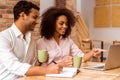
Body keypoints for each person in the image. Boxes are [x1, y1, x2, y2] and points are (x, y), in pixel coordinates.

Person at [0, 1, 62, 80]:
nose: (37, 21)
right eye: (34, 17)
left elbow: (32, 67)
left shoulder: (31, 40)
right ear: (22, 15)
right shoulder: (3, 37)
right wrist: (48, 70)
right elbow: (14, 65)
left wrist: (39, 61)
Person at [37, 7, 104, 67]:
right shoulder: (41, 42)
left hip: (68, 73)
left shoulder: (68, 41)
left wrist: (92, 52)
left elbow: (80, 57)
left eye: (66, 24)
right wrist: (60, 64)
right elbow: (42, 67)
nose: (65, 26)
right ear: (51, 23)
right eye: (61, 23)